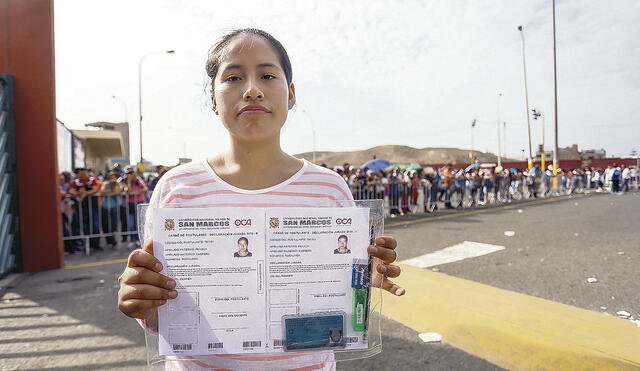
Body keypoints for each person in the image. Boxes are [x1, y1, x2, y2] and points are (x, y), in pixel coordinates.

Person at [116, 28, 404, 371]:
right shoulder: (177, 187)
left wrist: (358, 287)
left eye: (267, 75)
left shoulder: (328, 188)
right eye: (234, 77)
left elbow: (340, 313)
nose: (252, 90)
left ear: (291, 94)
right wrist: (146, 304)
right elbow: (164, 316)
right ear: (212, 97)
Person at [124, 166, 149, 248]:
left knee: (138, 222)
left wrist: (135, 191)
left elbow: (145, 189)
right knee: (131, 224)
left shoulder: (139, 180)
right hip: (131, 204)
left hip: (139, 203)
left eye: (131, 173)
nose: (130, 175)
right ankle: (132, 240)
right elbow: (128, 190)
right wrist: (129, 181)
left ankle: (138, 239)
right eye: (128, 174)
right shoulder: (125, 181)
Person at [100, 171, 122, 247]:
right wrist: (111, 190)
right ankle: (110, 240)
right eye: (111, 177)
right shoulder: (105, 183)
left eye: (114, 177)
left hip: (114, 206)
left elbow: (117, 192)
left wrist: (115, 185)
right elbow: (102, 191)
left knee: (113, 224)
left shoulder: (117, 184)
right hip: (105, 207)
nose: (113, 179)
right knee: (105, 224)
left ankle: (112, 239)